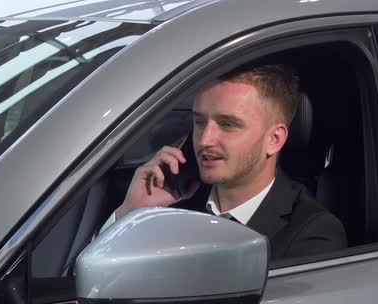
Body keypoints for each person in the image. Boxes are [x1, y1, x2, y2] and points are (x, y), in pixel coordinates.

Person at [103, 63, 347, 260]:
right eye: (199, 122)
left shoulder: (311, 233)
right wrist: (130, 214)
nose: (205, 140)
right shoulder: (168, 206)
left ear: (274, 139)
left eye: (228, 124)